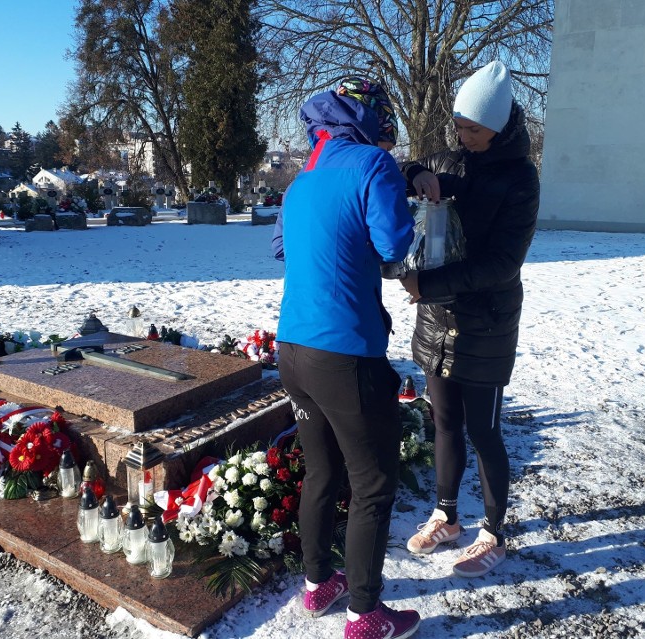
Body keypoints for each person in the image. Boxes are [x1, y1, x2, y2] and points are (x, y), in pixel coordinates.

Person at [271, 78, 420, 639]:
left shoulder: (300, 180)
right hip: (346, 353)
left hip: (293, 350)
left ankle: (317, 585)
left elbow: (286, 248)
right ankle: (364, 614)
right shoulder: (373, 166)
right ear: (370, 117)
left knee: (322, 471)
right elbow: (393, 246)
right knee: (374, 482)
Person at [398, 61, 540, 577]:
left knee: (484, 430)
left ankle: (494, 531)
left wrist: (427, 285)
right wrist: (417, 172)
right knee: (443, 424)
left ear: (499, 127)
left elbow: (504, 263)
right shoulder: (447, 157)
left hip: (487, 323)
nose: (462, 136)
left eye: (473, 129)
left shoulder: (521, 178)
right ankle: (447, 516)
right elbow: (402, 169)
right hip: (437, 321)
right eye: (458, 125)